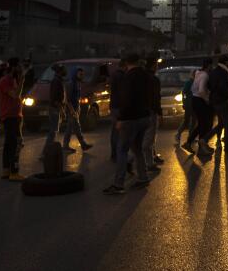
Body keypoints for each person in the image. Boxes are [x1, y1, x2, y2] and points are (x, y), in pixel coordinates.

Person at [103, 55, 152, 195]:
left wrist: (120, 119)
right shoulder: (146, 76)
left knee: (122, 150)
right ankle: (143, 177)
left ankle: (119, 184)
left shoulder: (128, 77)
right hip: (144, 117)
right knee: (137, 148)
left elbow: (126, 100)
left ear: (126, 64)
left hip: (130, 119)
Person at [0, 59, 25, 181]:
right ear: (13, 68)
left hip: (15, 116)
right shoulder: (5, 81)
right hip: (10, 117)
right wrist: (22, 79)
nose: (20, 70)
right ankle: (14, 172)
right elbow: (15, 95)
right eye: (18, 67)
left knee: (9, 144)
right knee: (16, 144)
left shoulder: (13, 80)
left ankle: (6, 171)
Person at [185, 59, 214, 158]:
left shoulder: (198, 73)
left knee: (202, 124)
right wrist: (207, 100)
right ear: (209, 66)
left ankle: (191, 143)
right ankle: (201, 147)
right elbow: (201, 90)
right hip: (200, 101)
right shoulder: (205, 75)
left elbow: (193, 88)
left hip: (195, 100)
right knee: (204, 124)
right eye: (211, 66)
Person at [208, 55, 228, 153]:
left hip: (215, 101)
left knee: (221, 123)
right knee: (227, 125)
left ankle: (205, 139)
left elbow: (209, 86)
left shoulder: (213, 72)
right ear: (225, 62)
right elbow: (223, 87)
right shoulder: (224, 72)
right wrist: (227, 97)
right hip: (222, 101)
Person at [63, 66, 92, 151]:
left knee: (73, 128)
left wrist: (78, 108)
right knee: (74, 127)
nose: (82, 76)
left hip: (75, 109)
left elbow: (77, 98)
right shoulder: (71, 84)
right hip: (71, 110)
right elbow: (68, 100)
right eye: (80, 74)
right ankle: (82, 144)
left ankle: (79, 145)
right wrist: (72, 111)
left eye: (83, 74)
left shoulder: (77, 83)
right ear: (75, 74)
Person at [142, 57, 163, 173]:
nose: (157, 67)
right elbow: (156, 97)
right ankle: (135, 160)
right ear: (153, 66)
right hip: (151, 111)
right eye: (156, 65)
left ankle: (150, 162)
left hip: (142, 111)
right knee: (149, 138)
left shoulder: (141, 78)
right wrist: (159, 112)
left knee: (147, 137)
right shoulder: (154, 80)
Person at [45, 64, 69, 157]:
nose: (65, 71)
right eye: (64, 69)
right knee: (53, 132)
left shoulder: (59, 80)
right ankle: (46, 153)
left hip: (56, 108)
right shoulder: (56, 81)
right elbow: (55, 99)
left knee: (54, 131)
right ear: (60, 71)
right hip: (55, 109)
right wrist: (62, 110)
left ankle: (47, 152)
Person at [174, 74, 195, 145]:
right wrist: (184, 102)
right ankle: (178, 134)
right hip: (189, 105)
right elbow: (183, 93)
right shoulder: (189, 83)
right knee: (186, 121)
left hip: (195, 105)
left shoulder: (196, 82)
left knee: (194, 121)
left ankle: (191, 137)